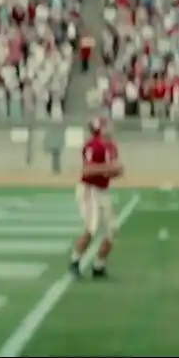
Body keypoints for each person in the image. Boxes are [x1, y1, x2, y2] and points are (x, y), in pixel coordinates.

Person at [70, 117, 124, 279]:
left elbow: (110, 172)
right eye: (106, 125)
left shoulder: (112, 146)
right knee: (91, 228)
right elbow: (87, 171)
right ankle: (75, 261)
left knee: (112, 229)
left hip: (102, 191)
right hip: (89, 190)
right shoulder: (93, 145)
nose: (110, 127)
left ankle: (98, 266)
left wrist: (116, 171)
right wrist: (109, 168)